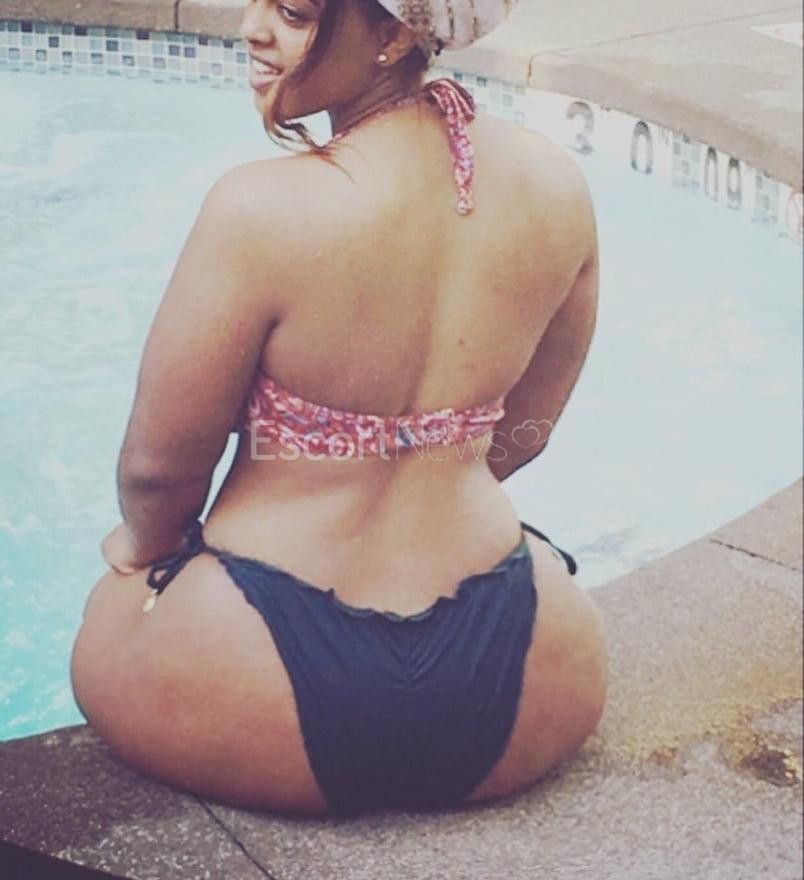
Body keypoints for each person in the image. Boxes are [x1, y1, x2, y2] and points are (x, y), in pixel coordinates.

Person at [70, 0, 607, 817]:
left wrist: (144, 548)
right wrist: (430, 475)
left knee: (112, 604)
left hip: (254, 660)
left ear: (395, 34)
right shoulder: (556, 182)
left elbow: (160, 469)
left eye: (293, 11)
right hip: (529, 669)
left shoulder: (259, 208)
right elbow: (527, 433)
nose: (251, 27)